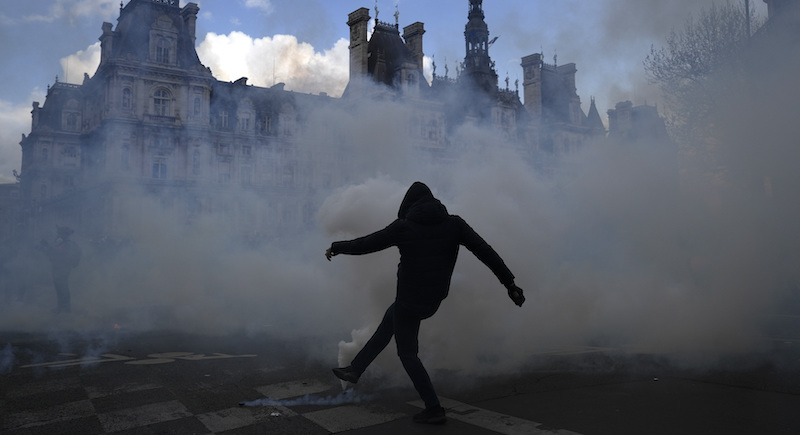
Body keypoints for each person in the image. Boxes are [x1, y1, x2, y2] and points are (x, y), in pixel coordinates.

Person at [325, 181, 525, 424]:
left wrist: (337, 247)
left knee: (407, 353)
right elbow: (486, 252)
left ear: (409, 205)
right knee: (390, 319)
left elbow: (368, 243)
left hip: (410, 300)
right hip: (433, 298)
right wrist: (510, 284)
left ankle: (434, 408)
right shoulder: (455, 224)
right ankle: (355, 369)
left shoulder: (404, 227)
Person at [39, 226, 82, 313]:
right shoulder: (62, 244)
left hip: (63, 268)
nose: (58, 234)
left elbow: (61, 254)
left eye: (60, 233)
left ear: (65, 234)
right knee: (59, 288)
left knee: (62, 288)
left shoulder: (68, 244)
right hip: (58, 267)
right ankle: (61, 308)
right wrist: (45, 249)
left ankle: (65, 309)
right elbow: (54, 254)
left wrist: (48, 247)